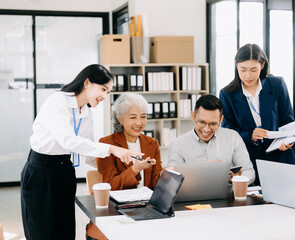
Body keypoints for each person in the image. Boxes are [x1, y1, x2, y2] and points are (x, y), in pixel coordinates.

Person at [20, 64, 142, 240]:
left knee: (65, 232)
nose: (105, 97)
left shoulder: (85, 111)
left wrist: (120, 168)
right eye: (103, 89)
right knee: (42, 232)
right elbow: (68, 140)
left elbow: (88, 152)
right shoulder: (58, 101)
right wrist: (112, 148)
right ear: (87, 83)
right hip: (41, 171)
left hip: (64, 171)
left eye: (108, 92)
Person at [86, 93, 163, 240]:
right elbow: (111, 185)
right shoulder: (107, 144)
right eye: (133, 117)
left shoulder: (151, 143)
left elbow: (155, 183)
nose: (139, 122)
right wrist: (135, 169)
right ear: (120, 118)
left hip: (145, 210)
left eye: (143, 116)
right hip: (116, 210)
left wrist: (166, 176)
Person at [219, 43, 295, 185]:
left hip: (280, 157)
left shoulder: (277, 84)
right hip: (250, 161)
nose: (248, 75)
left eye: (254, 70)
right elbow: (228, 131)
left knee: (285, 204)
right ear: (236, 66)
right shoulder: (227, 94)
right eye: (243, 70)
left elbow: (288, 120)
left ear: (262, 65)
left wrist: (288, 140)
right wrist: (250, 136)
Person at [167, 94, 255, 184]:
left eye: (213, 124)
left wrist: (236, 180)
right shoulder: (178, 144)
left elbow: (249, 172)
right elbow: (172, 180)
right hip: (193, 197)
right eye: (202, 122)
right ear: (193, 116)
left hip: (228, 195)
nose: (206, 129)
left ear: (221, 120)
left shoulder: (233, 137)